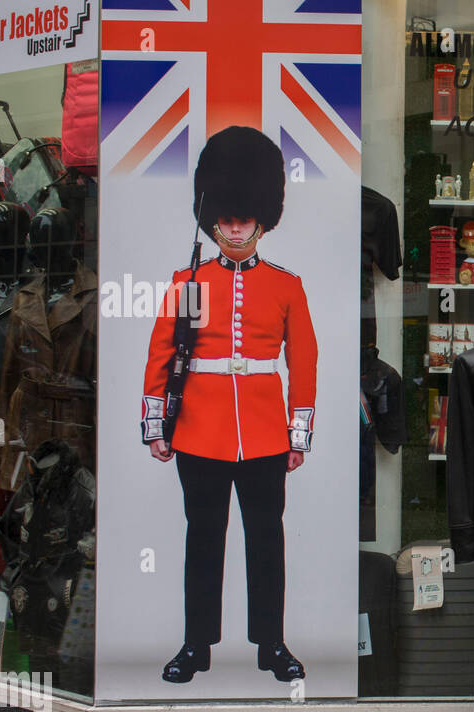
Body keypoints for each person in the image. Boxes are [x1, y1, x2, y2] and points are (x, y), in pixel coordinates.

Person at [141, 126, 318, 683]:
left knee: (267, 541)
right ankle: (197, 646)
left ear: (263, 218)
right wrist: (156, 426)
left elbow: (304, 363)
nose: (237, 226)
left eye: (246, 218)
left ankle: (271, 645)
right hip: (199, 432)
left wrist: (298, 433)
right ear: (211, 217)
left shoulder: (287, 286)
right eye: (228, 217)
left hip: (265, 434)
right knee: (204, 540)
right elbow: (160, 355)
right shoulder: (186, 282)